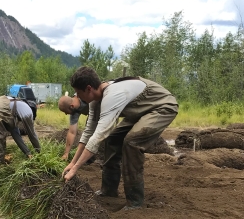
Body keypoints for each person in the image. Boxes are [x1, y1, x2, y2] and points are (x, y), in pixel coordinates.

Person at [62, 66, 178, 209]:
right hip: (139, 111)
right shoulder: (94, 101)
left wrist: (75, 169)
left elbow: (98, 136)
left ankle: (135, 202)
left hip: (161, 107)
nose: (77, 97)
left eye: (79, 93)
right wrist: (73, 164)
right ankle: (109, 190)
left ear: (88, 88)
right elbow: (89, 132)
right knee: (112, 140)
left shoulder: (112, 96)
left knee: (132, 143)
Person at [0, 95, 40, 196]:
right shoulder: (28, 111)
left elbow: (16, 135)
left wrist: (28, 153)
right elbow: (32, 135)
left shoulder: (13, 108)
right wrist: (40, 153)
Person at [58, 95, 89, 160]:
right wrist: (66, 153)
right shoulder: (74, 111)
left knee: (90, 129)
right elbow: (72, 132)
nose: (66, 114)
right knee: (88, 130)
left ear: (71, 106)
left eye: (65, 111)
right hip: (93, 112)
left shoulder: (85, 95)